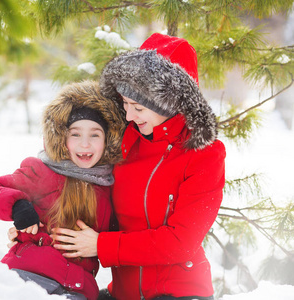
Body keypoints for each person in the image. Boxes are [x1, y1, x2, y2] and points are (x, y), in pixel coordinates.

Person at [50, 33, 226, 300]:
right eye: (125, 104)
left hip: (179, 293)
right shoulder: (123, 142)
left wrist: (101, 245)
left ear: (168, 102)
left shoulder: (204, 154)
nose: (129, 116)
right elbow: (79, 187)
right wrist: (32, 229)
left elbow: (182, 242)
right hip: (123, 293)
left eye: (138, 108)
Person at [0, 81, 126, 300]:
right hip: (26, 276)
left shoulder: (107, 187)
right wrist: (18, 206)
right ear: (62, 139)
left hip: (75, 288)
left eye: (94, 135)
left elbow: (120, 237)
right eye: (75, 135)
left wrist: (101, 245)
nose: (85, 144)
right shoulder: (41, 172)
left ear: (108, 141)